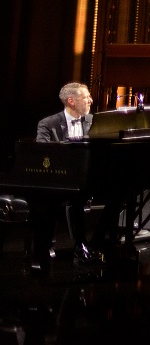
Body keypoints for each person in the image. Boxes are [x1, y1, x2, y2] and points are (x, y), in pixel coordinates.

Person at [34, 83, 99, 263]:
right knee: (68, 199)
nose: (90, 100)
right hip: (58, 179)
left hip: (88, 178)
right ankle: (75, 245)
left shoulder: (95, 122)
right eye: (86, 97)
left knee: (119, 195)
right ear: (71, 101)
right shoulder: (48, 124)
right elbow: (42, 153)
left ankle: (97, 242)